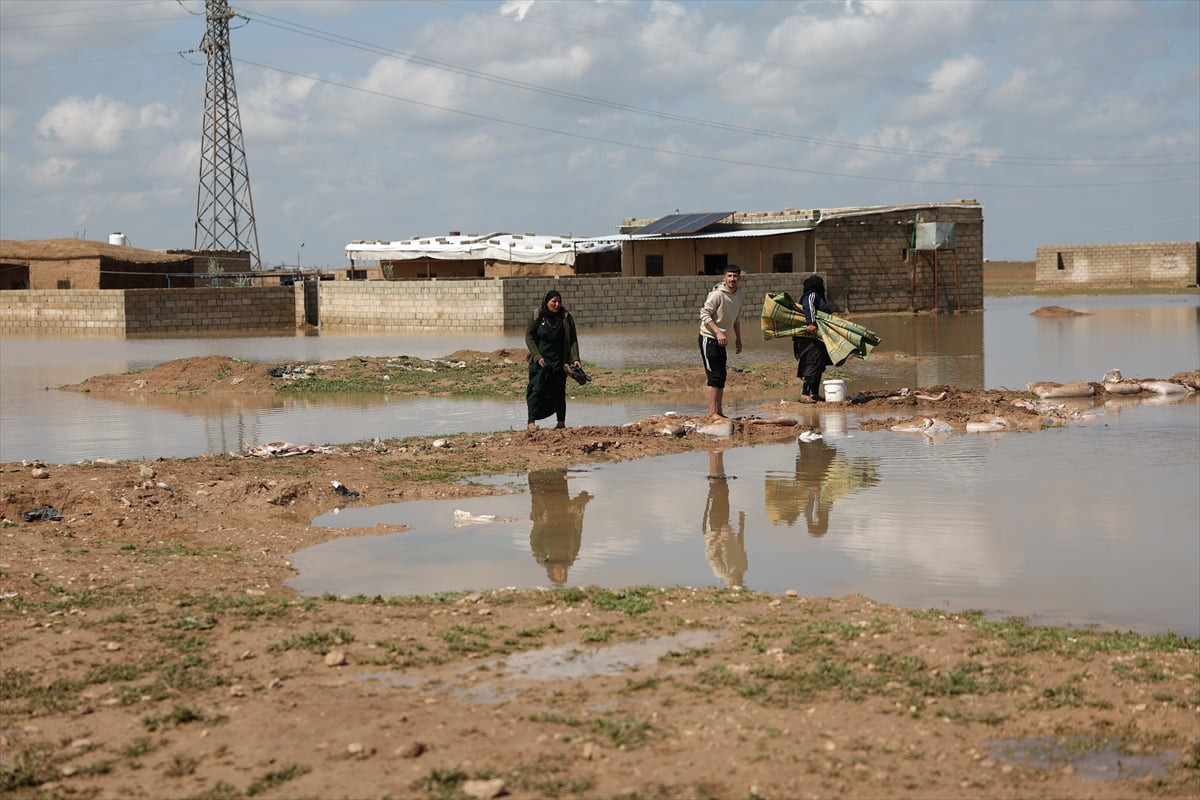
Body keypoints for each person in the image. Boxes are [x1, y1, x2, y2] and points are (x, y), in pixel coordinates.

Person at [525, 289, 581, 431]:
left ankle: (561, 423)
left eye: (559, 301)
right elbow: (529, 337)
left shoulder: (566, 317)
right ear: (546, 302)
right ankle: (531, 422)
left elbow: (573, 340)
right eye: (553, 301)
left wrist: (575, 358)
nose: (557, 304)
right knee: (535, 390)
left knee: (558, 391)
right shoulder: (538, 315)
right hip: (540, 361)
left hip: (559, 361)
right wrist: (537, 356)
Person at [528, 468, 591, 585]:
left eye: (559, 574)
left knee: (540, 490)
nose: (561, 571)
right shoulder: (571, 555)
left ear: (551, 572)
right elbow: (577, 533)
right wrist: (579, 515)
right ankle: (557, 467)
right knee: (559, 491)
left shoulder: (542, 558)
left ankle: (537, 469)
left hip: (545, 520)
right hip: (565, 519)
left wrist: (539, 524)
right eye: (563, 574)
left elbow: (534, 539)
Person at [698, 264, 744, 420]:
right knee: (714, 375)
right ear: (724, 278)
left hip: (722, 340)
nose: (732, 279)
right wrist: (717, 332)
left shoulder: (739, 296)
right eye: (729, 276)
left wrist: (738, 339)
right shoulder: (717, 295)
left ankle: (719, 412)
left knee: (722, 375)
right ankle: (712, 413)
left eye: (735, 276)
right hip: (709, 338)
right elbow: (704, 314)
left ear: (739, 278)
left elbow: (736, 319)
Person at [702, 450, 748, 588]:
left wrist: (722, 536)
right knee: (722, 489)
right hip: (724, 528)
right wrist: (742, 524)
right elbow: (741, 545)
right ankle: (716, 453)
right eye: (740, 583)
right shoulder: (743, 567)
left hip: (714, 530)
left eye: (738, 583)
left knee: (717, 489)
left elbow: (710, 554)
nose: (738, 581)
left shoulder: (722, 573)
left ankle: (714, 453)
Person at [793, 274, 832, 402]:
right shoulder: (812, 295)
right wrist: (811, 323)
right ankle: (805, 394)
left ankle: (814, 393)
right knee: (812, 363)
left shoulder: (819, 297)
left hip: (819, 337)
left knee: (819, 365)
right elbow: (809, 306)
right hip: (810, 338)